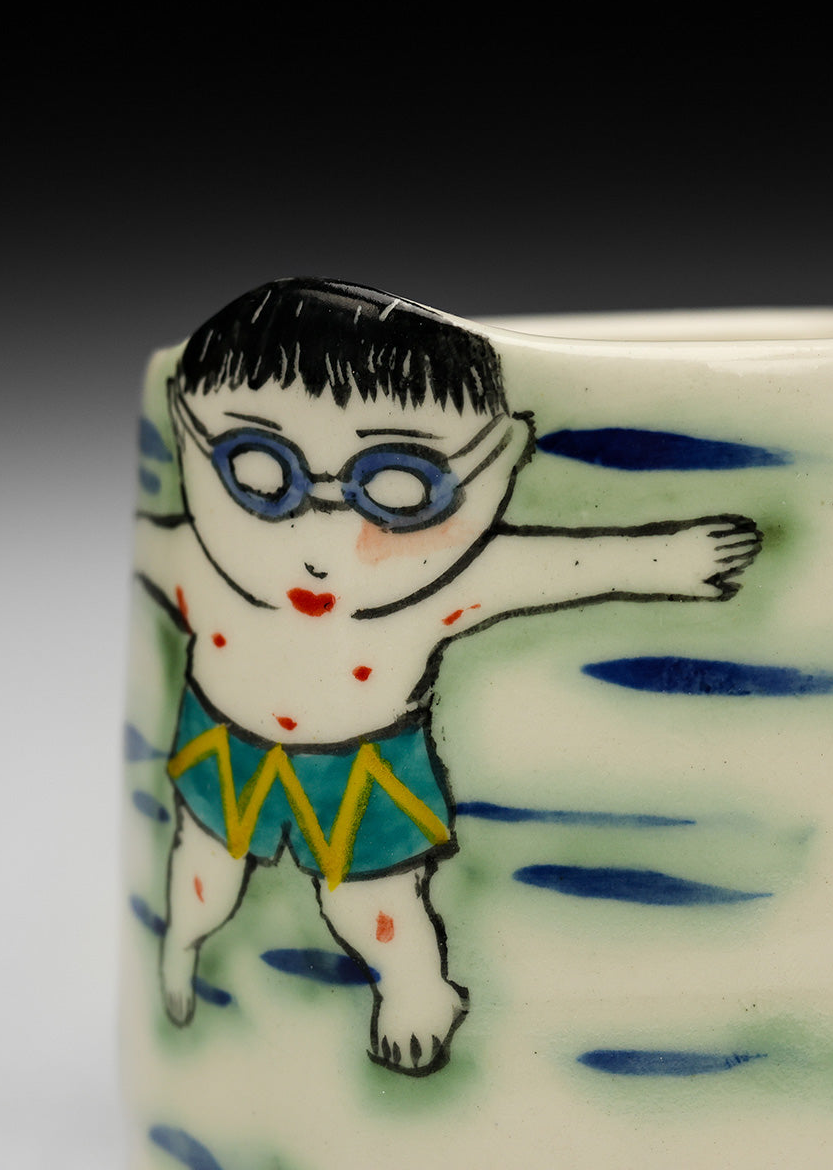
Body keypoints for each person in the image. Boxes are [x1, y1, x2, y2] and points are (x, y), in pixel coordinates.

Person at [134, 277, 761, 1075]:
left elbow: (555, 568)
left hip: (361, 768)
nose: (321, 544)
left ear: (501, 463)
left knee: (372, 905)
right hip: (225, 745)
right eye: (259, 473)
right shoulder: (193, 561)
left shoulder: (444, 589)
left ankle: (418, 992)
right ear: (185, 430)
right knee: (201, 876)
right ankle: (181, 957)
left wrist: (667, 560)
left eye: (398, 489)